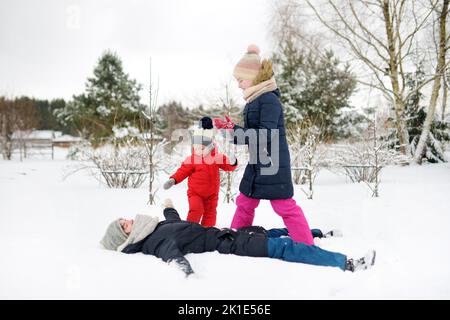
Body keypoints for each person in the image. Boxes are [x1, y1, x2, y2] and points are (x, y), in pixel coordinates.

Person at [100, 199, 376, 277]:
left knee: (266, 231)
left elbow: (174, 221)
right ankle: (349, 263)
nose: (131, 220)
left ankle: (318, 233)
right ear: (127, 238)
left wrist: (168, 207)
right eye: (125, 225)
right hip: (229, 245)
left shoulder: (157, 227)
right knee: (283, 247)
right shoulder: (153, 243)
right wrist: (188, 276)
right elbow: (173, 256)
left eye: (125, 219)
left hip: (226, 233)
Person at [213, 44, 314, 245]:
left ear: (254, 76)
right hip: (258, 161)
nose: (239, 85)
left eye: (241, 79)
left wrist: (236, 131)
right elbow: (254, 132)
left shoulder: (268, 99)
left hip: (273, 162)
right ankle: (235, 238)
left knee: (284, 206)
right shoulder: (254, 100)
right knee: (245, 202)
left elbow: (266, 134)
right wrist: (232, 128)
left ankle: (306, 244)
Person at [162, 117, 238, 227]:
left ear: (210, 146)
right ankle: (189, 229)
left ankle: (207, 232)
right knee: (196, 210)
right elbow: (182, 171)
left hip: (212, 194)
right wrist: (173, 179)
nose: (199, 150)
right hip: (195, 193)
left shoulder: (216, 157)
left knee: (210, 213)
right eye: (197, 147)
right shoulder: (192, 159)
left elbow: (228, 167)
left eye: (202, 147)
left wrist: (233, 162)